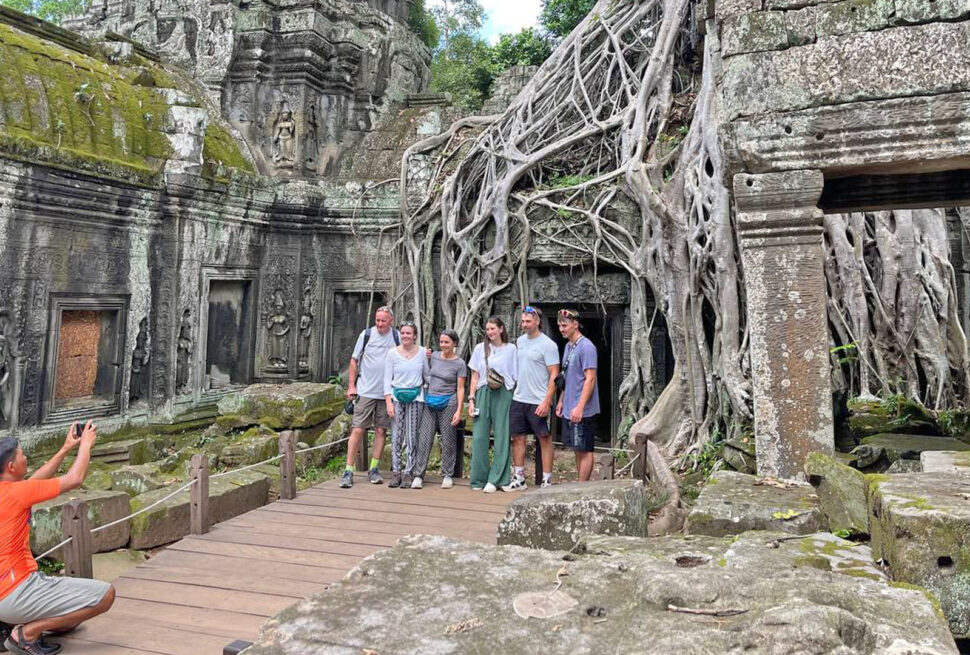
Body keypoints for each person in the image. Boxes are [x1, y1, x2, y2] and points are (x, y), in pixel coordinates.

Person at [0, 422, 115, 655]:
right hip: (17, 592)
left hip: (5, 593)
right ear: (12, 466)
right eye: (23, 456)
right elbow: (74, 479)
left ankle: (24, 624)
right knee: (105, 595)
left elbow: (32, 484)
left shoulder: (9, 491)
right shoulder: (16, 493)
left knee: (71, 615)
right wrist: (86, 445)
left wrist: (65, 448)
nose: (27, 459)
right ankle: (26, 634)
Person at [341, 306, 401, 489]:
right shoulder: (366, 335)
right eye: (377, 320)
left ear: (391, 320)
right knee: (358, 429)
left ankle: (374, 469)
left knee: (381, 430)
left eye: (383, 321)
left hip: (386, 393)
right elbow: (354, 360)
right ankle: (348, 470)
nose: (380, 324)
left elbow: (406, 356)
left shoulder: (397, 336)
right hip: (366, 390)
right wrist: (352, 385)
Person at [504, 306, 559, 491]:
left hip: (538, 399)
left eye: (528, 321)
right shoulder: (520, 341)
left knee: (544, 438)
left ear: (537, 321)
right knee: (518, 438)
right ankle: (519, 478)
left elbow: (554, 374)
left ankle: (547, 480)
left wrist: (547, 401)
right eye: (523, 321)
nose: (525, 325)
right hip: (520, 397)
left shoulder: (549, 345)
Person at [468, 316, 518, 493]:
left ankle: (497, 478)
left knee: (502, 435)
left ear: (501, 329)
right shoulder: (479, 348)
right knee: (480, 436)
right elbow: (474, 375)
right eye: (487, 329)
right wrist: (471, 398)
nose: (490, 332)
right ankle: (479, 478)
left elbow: (515, 374)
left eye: (493, 329)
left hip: (503, 392)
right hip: (482, 391)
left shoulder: (511, 349)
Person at [415, 330, 467, 489]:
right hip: (430, 400)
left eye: (447, 342)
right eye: (442, 342)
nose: (443, 345)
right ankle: (418, 474)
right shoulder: (433, 356)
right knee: (424, 438)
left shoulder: (459, 364)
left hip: (449, 402)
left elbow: (460, 388)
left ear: (454, 344)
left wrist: (459, 410)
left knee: (448, 438)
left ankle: (447, 474)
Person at [555, 308, 600, 482]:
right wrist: (561, 400)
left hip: (583, 409)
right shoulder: (568, 346)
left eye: (565, 325)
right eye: (559, 325)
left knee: (585, 449)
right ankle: (579, 483)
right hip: (569, 406)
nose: (561, 329)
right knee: (576, 447)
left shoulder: (587, 347)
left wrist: (580, 407)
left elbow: (590, 378)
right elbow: (566, 376)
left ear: (575, 324)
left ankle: (582, 486)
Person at [383, 322, 429, 489]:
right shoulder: (392, 354)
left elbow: (427, 375)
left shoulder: (422, 352)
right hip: (396, 396)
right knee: (396, 435)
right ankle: (396, 472)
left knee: (412, 436)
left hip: (416, 397)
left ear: (415, 335)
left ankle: (409, 471)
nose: (405, 336)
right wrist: (388, 401)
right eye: (402, 333)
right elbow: (387, 378)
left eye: (408, 333)